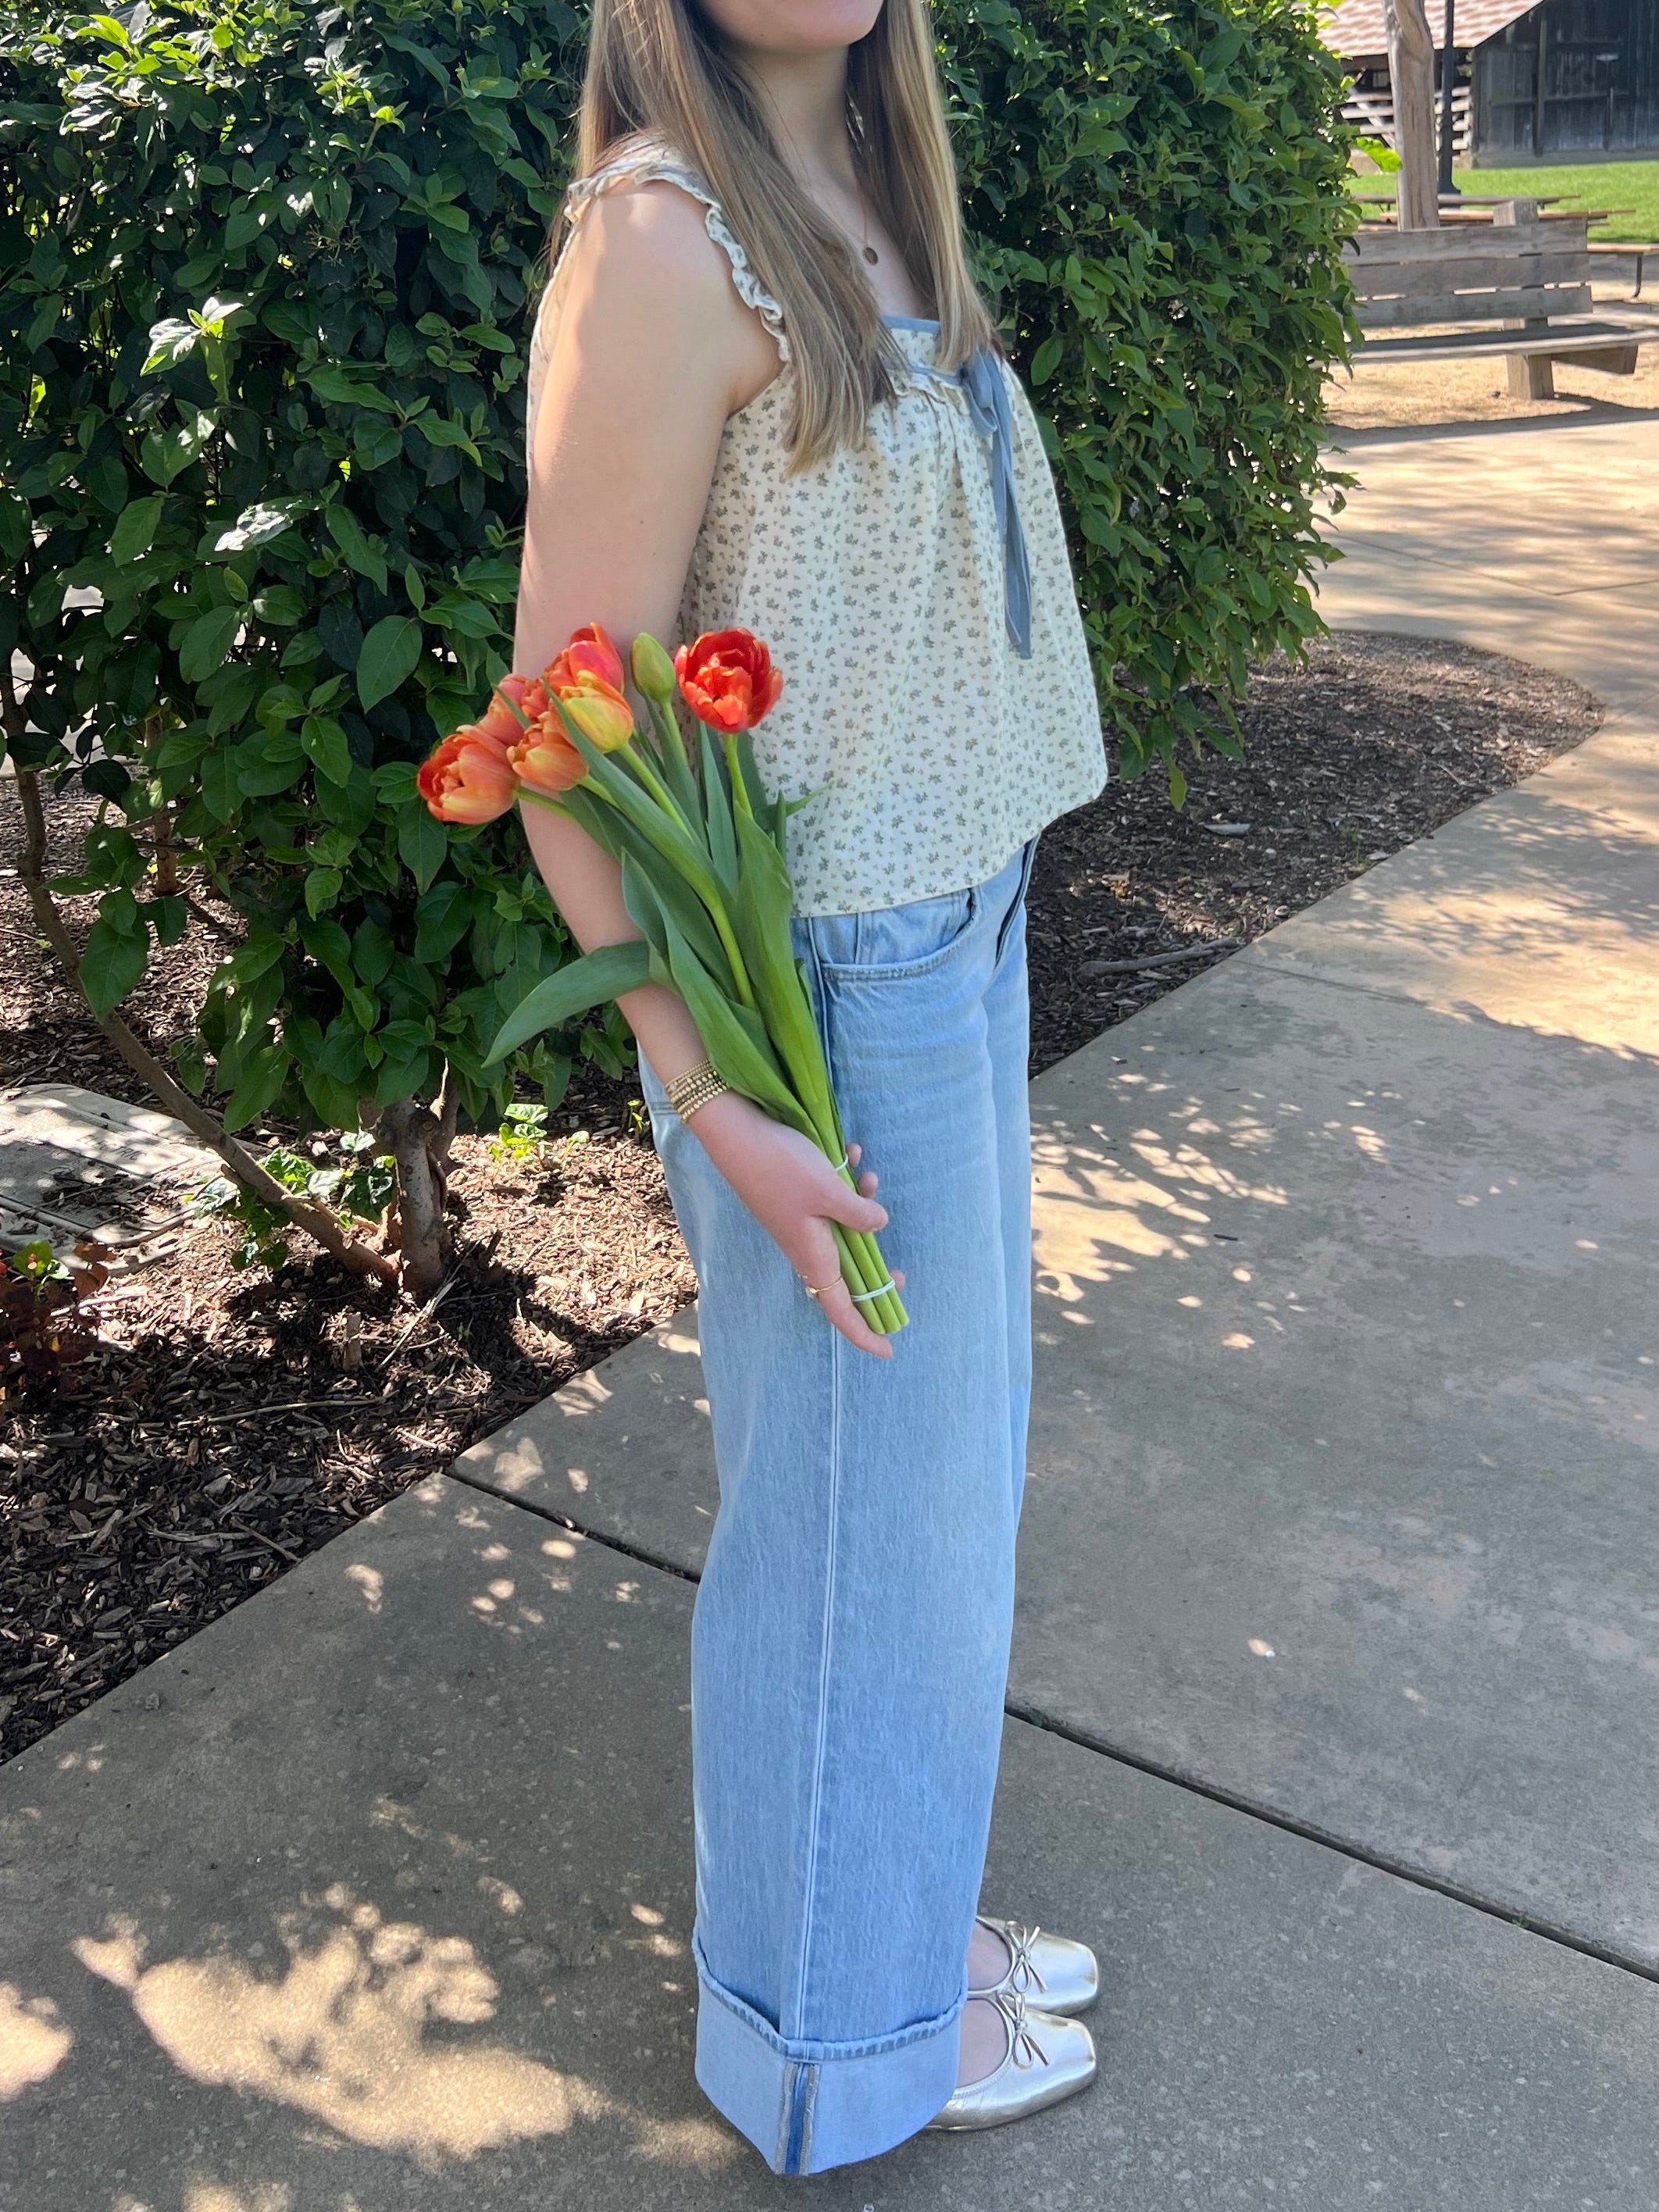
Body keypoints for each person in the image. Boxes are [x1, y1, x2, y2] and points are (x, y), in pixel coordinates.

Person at [512, 0, 1107, 2176]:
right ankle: (834, 2045)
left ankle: (888, 1934)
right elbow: (558, 714)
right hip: (830, 993)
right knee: (862, 1529)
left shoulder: (862, 183)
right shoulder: (668, 245)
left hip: (951, 926)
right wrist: (704, 1087)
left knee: (927, 1510)